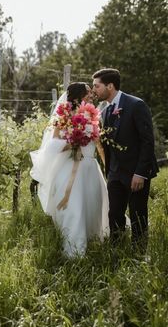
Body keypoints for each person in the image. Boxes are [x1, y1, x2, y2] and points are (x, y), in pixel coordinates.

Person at [30, 82, 109, 257]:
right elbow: (53, 144)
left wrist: (107, 166)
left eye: (91, 91)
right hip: (71, 167)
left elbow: (99, 145)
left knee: (94, 203)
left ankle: (95, 242)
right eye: (88, 92)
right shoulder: (63, 116)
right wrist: (72, 142)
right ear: (79, 95)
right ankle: (75, 250)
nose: (91, 94)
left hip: (90, 168)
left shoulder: (93, 115)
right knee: (75, 206)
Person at [92, 68, 159, 253]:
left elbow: (147, 141)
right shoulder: (105, 112)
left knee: (138, 215)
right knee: (114, 214)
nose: (94, 90)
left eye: (97, 86)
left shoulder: (136, 105)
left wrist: (140, 173)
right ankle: (116, 251)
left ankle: (139, 255)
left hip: (135, 173)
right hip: (115, 174)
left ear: (110, 86)